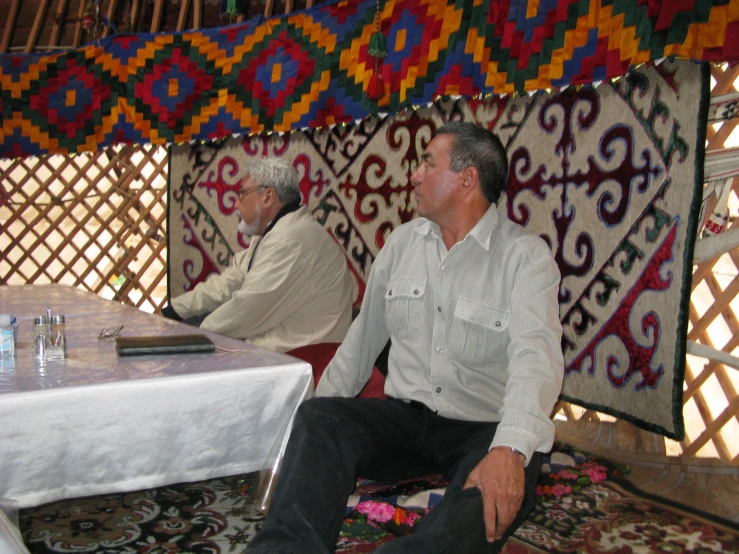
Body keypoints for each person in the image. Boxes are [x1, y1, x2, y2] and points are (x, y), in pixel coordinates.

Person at [247, 122, 564, 553]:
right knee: (320, 419)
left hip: (483, 428)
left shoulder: (525, 259)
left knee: (492, 492)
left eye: (427, 163)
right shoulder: (400, 245)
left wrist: (510, 448)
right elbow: (360, 343)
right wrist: (313, 424)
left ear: (467, 179)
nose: (413, 174)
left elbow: (536, 359)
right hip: (406, 421)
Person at [163, 158, 354, 353]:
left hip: (306, 358)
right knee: (194, 325)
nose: (236, 204)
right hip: (284, 347)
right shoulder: (277, 233)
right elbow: (228, 283)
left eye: (242, 193)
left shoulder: (290, 240)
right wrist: (173, 311)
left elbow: (245, 311)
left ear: (268, 196)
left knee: (194, 351)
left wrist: (191, 337)